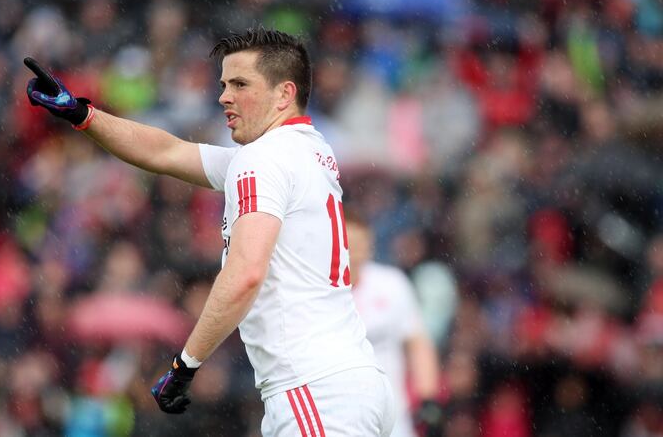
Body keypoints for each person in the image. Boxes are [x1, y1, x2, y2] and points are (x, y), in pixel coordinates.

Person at [25, 28, 395, 436]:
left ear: (283, 94)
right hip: (348, 383)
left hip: (314, 388)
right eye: (223, 84)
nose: (223, 96)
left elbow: (245, 273)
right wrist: (83, 114)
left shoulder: (263, 160)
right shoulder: (308, 149)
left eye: (240, 84)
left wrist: (186, 364)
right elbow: (165, 152)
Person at [346, 213, 443, 437]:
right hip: (338, 415)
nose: (356, 253)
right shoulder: (318, 292)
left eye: (361, 245)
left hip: (392, 416)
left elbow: (417, 342)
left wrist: (428, 399)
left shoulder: (392, 284)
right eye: (350, 245)